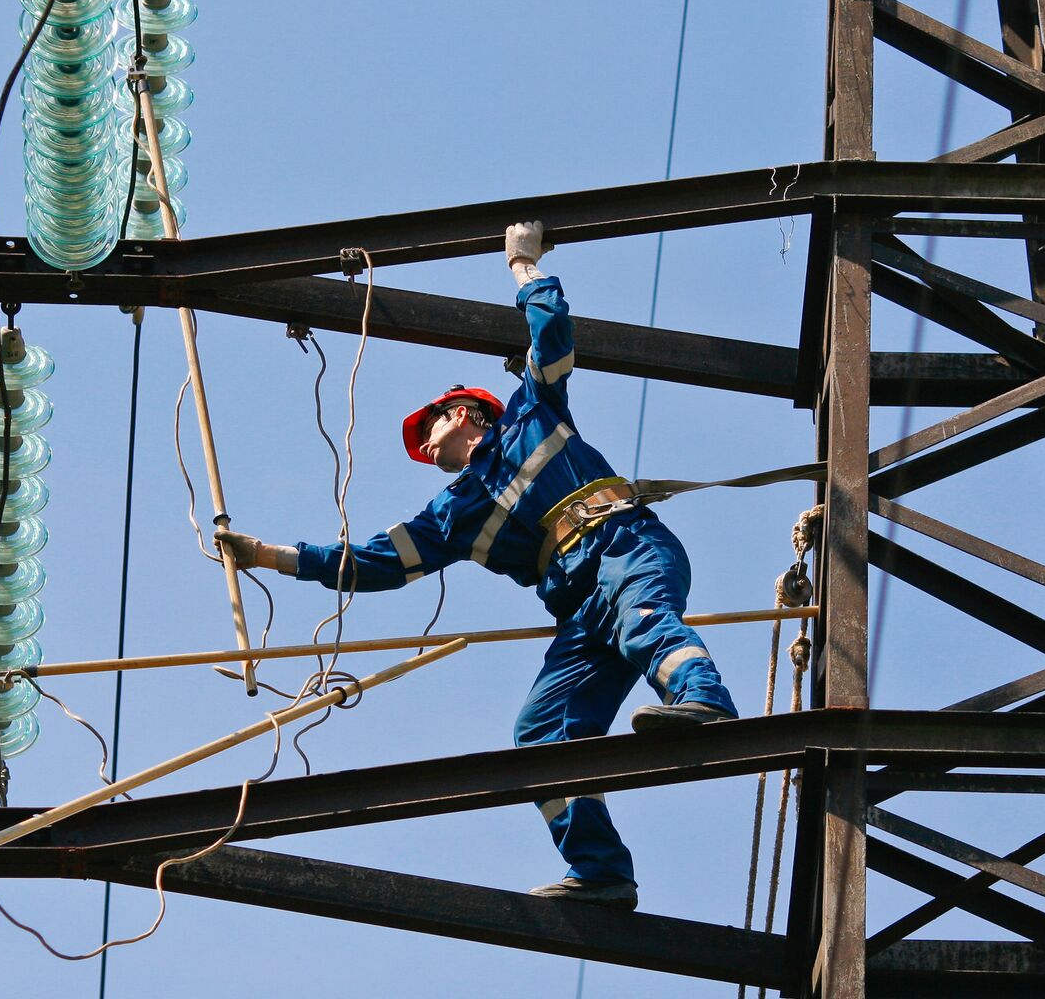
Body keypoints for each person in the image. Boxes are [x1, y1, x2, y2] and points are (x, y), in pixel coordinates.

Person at [217, 222, 738, 910]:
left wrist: (522, 265)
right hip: (581, 608)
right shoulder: (454, 514)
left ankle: (706, 701)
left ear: (464, 413)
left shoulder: (533, 415)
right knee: (540, 735)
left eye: (428, 427)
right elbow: (374, 562)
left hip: (624, 547)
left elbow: (551, 331)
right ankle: (603, 871)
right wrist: (272, 557)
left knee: (642, 620)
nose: (423, 444)